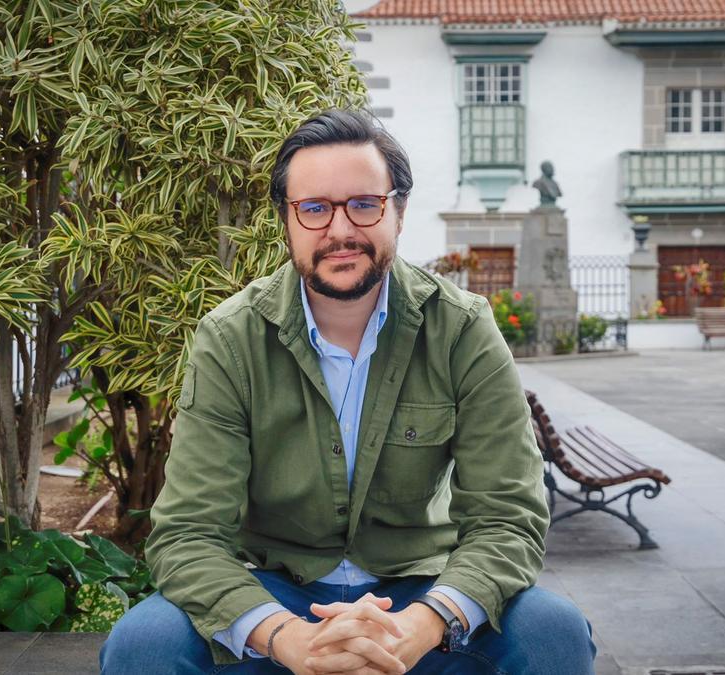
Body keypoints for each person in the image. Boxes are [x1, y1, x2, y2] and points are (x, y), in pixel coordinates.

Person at [100, 109, 595, 674]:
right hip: (275, 593)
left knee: (553, 633)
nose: (340, 230)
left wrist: (425, 623)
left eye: (364, 204)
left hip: (419, 593)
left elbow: (508, 516)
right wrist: (284, 637)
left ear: (399, 213)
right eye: (314, 209)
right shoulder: (231, 338)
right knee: (143, 645)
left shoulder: (462, 329)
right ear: (286, 221)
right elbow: (188, 533)